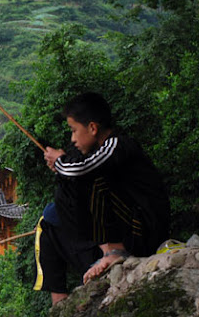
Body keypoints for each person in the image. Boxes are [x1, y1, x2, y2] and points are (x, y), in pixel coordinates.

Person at [35, 92, 170, 305]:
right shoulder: (99, 150)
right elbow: (76, 169)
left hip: (143, 230)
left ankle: (114, 251)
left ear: (92, 128)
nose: (72, 138)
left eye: (74, 130)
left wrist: (61, 163)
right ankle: (58, 300)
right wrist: (63, 167)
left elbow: (83, 169)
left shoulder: (117, 145)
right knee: (48, 223)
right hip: (127, 230)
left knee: (91, 180)